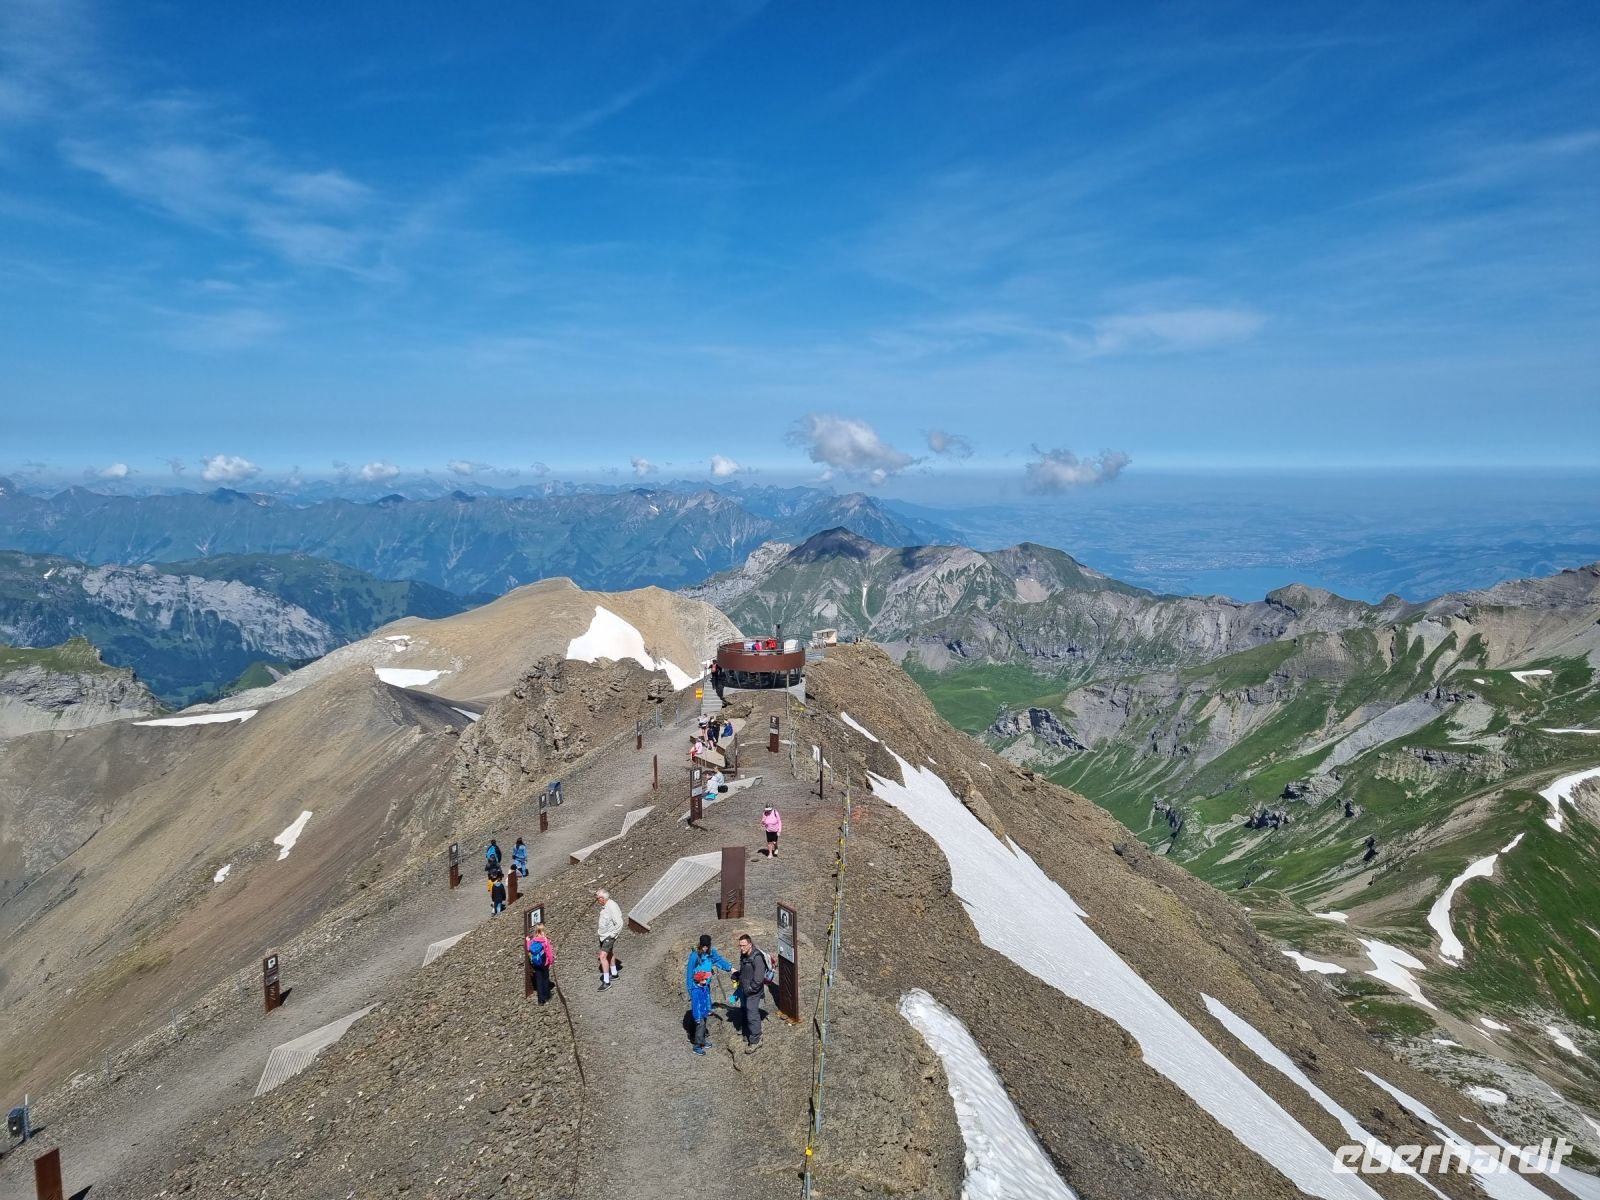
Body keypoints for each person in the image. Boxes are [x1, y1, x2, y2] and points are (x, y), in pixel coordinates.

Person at [685, 934, 733, 1055]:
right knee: (699, 1016)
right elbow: (689, 973)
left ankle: (699, 1038)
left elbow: (718, 960)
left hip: (705, 987)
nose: (705, 948)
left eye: (707, 946)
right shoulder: (694, 956)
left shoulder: (712, 953)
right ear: (700, 945)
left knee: (704, 1012)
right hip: (697, 987)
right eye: (704, 946)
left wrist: (730, 968)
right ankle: (697, 1041)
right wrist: (691, 990)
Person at [733, 933, 771, 1053]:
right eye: (740, 945)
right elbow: (745, 971)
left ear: (750, 944)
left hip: (753, 991)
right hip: (745, 988)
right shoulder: (744, 955)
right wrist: (738, 976)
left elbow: (759, 979)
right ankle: (747, 1033)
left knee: (752, 1013)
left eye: (743, 945)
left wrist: (750, 989)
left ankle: (756, 1040)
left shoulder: (757, 958)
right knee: (744, 1010)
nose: (741, 948)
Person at [595, 889, 625, 991]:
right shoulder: (606, 906)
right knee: (610, 954)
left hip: (608, 936)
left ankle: (606, 982)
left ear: (602, 898)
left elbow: (619, 922)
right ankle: (614, 973)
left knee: (603, 957)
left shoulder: (611, 906)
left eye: (598, 898)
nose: (597, 901)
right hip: (604, 935)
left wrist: (613, 935)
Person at [526, 922, 555, 1005]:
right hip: (544, 963)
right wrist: (550, 961)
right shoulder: (545, 940)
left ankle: (540, 1000)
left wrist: (527, 941)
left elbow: (529, 949)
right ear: (543, 931)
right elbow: (549, 952)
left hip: (536, 964)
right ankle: (547, 996)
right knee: (545, 979)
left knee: (539, 980)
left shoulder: (533, 940)